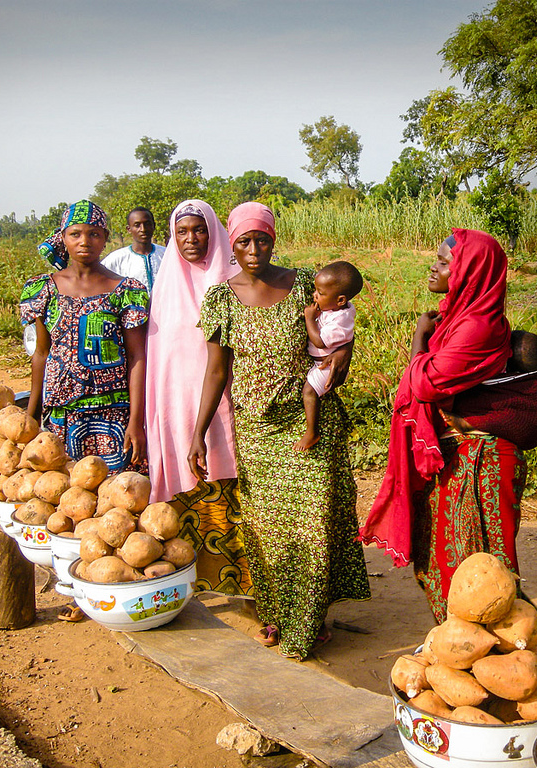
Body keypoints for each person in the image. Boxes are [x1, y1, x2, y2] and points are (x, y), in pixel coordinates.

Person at [188, 202, 370, 659]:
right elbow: (216, 373)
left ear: (274, 239)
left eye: (262, 240)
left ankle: (309, 621)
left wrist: (344, 356)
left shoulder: (306, 281)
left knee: (313, 526)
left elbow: (338, 326)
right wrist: (198, 433)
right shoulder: (221, 298)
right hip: (256, 429)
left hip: (310, 423)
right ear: (231, 243)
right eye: (244, 242)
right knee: (267, 529)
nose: (254, 250)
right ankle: (275, 614)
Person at [359, 229, 532, 623]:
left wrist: (420, 337)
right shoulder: (459, 317)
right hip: (456, 455)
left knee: (481, 571)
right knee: (444, 560)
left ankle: (494, 656)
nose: (433, 267)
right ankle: (459, 652)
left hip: (480, 461)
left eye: (443, 262)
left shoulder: (477, 327)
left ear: (470, 272)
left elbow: (427, 383)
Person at [20, 200, 149, 623]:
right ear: (63, 237)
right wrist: (34, 412)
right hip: (62, 416)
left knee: (114, 509)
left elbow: (137, 357)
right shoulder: (43, 289)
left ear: (105, 239)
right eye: (76, 234)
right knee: (69, 505)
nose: (85, 242)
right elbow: (40, 354)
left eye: (94, 234)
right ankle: (79, 592)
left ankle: (110, 592)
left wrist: (136, 419)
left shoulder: (126, 289)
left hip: (113, 416)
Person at [144, 199, 250, 597]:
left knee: (230, 492)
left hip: (226, 410)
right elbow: (159, 362)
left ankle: (243, 586)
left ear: (215, 232)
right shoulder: (165, 288)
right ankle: (191, 584)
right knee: (187, 499)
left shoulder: (235, 282)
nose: (192, 239)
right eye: (182, 231)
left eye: (200, 230)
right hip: (178, 413)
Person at [442, 329, 537, 448]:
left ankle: (467, 423)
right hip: (534, 427)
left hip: (529, 425)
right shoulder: (532, 372)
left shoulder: (529, 385)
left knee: (505, 417)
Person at [295, 261, 364, 451]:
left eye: (320, 293)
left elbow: (319, 341)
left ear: (340, 300)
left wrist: (309, 318)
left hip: (327, 367)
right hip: (319, 363)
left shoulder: (341, 321)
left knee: (309, 392)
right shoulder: (333, 308)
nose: (314, 295)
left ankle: (312, 432)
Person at [101, 207, 165, 293]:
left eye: (147, 224)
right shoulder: (116, 259)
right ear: (129, 229)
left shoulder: (166, 255)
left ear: (154, 226)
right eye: (137, 225)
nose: (143, 229)